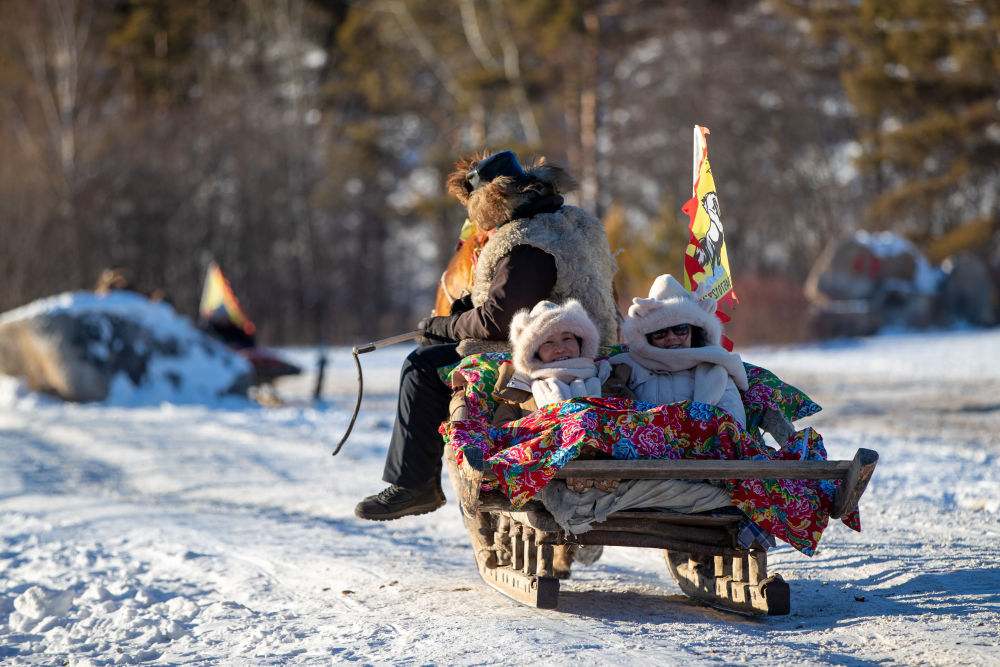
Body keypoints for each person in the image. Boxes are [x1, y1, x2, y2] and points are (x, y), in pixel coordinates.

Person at [354, 149, 619, 521]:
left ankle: (415, 486)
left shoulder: (526, 242)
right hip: (591, 341)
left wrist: (444, 325)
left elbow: (497, 322)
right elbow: (520, 296)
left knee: (421, 365)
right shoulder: (573, 221)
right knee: (439, 349)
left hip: (545, 352)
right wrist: (469, 306)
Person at [619, 274, 748, 428]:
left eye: (680, 329)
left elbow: (734, 426)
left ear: (694, 330)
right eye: (660, 332)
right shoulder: (626, 367)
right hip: (642, 449)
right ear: (647, 336)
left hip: (702, 448)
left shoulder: (715, 367)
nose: (671, 337)